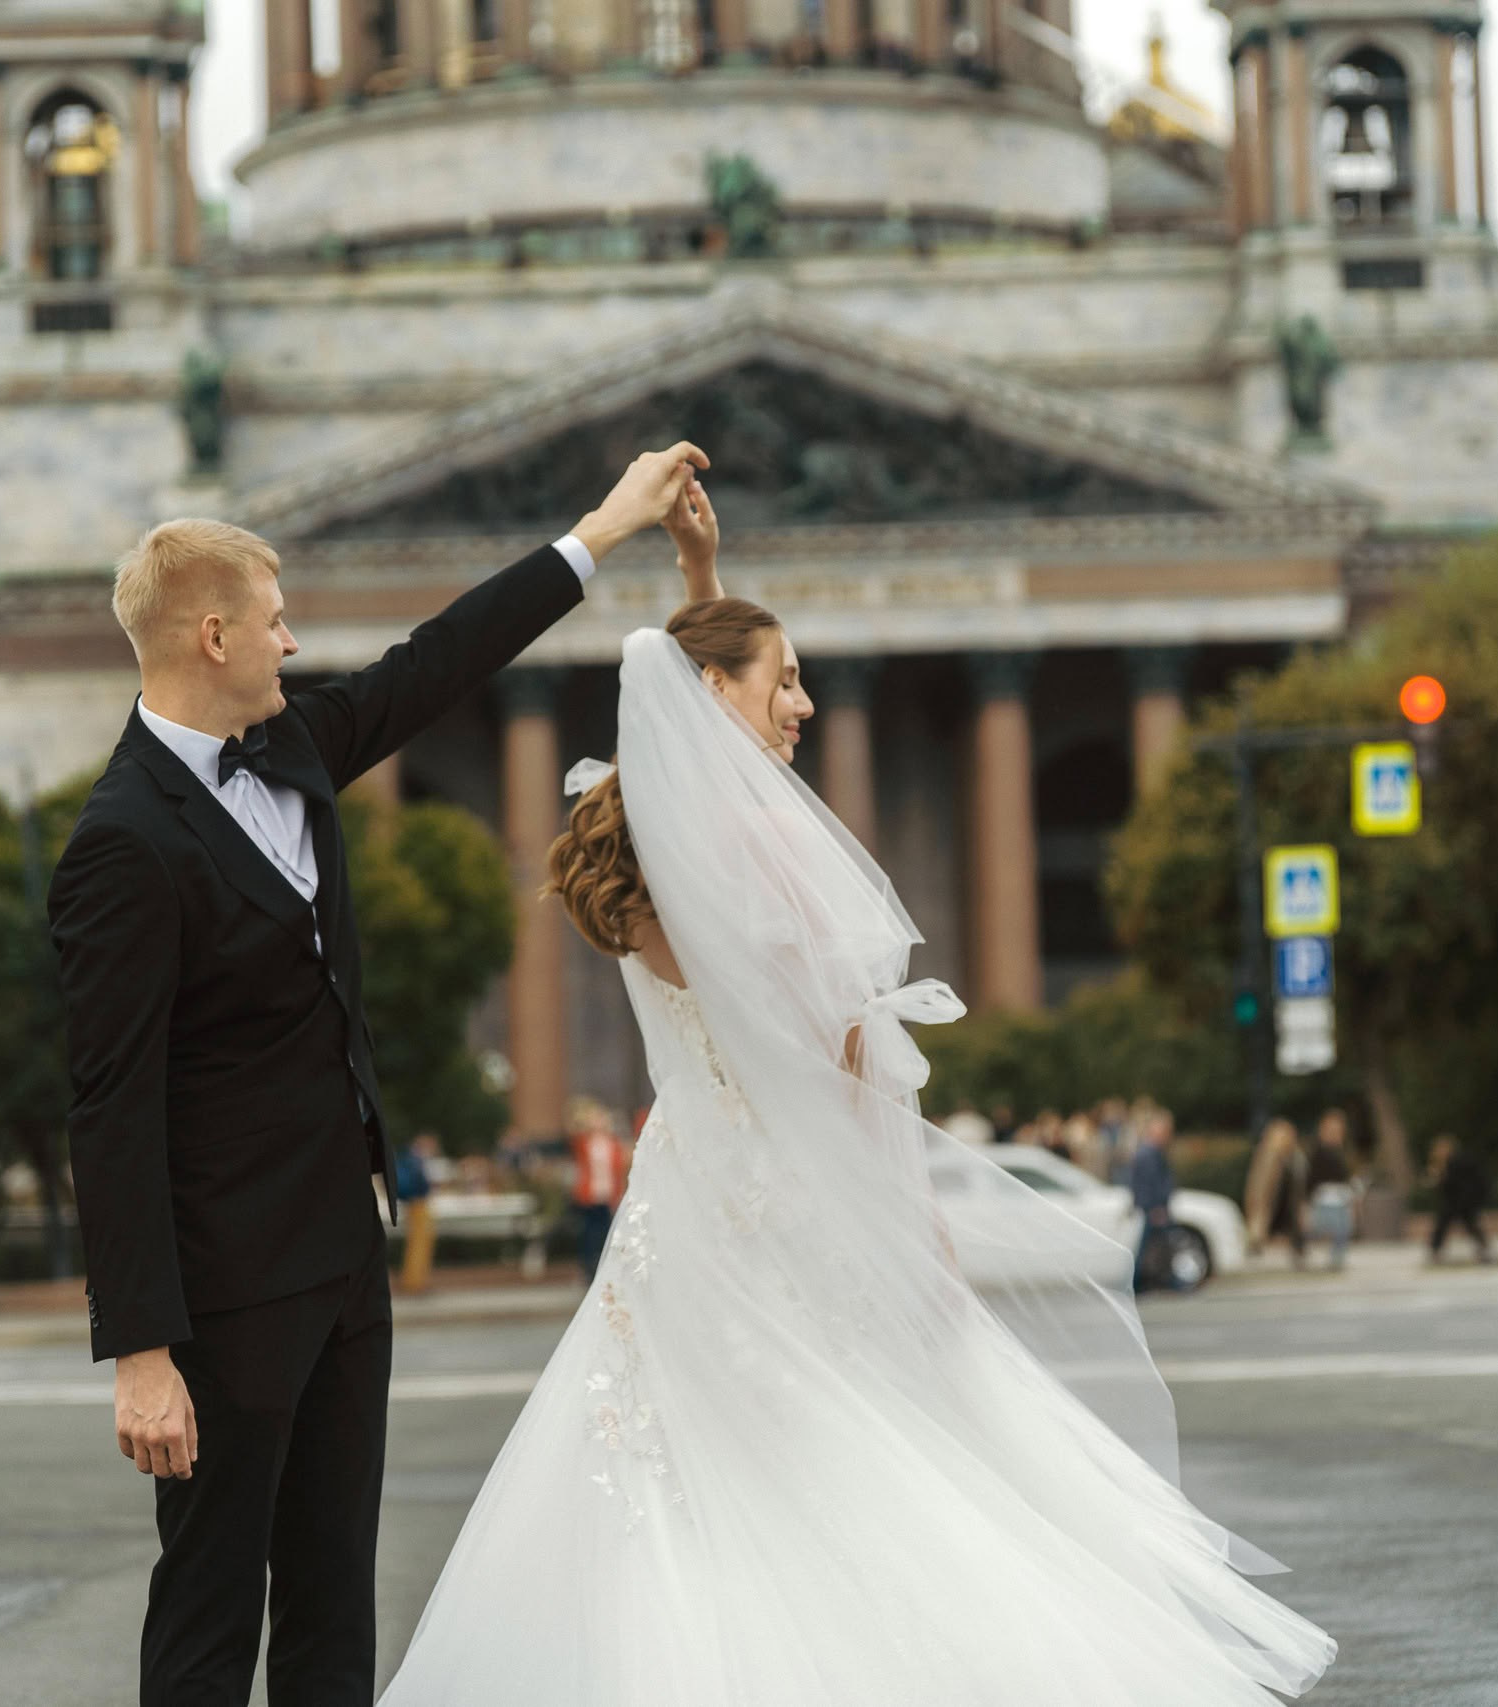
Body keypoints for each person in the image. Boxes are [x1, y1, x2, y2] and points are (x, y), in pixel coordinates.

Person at [378, 480, 1332, 1704]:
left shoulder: (653, 859)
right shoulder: (757, 852)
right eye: (784, 682)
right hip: (792, 1212)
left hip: (687, 1218)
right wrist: (912, 1222)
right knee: (856, 1472)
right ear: (721, 699)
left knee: (698, 1486)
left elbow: (691, 718)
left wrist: (702, 585)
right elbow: (836, 1073)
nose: (804, 705)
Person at [46, 441, 712, 1707]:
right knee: (206, 1614)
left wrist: (601, 531)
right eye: (276, 623)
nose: (292, 645)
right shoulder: (119, 846)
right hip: (227, 1293)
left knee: (330, 1608)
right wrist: (141, 1352)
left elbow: (440, 660)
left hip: (345, 1262)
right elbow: (109, 1105)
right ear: (211, 636)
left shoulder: (291, 748)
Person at [566, 1098, 631, 1282]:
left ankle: (602, 1267)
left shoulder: (613, 1143)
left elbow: (619, 1168)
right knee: (588, 1232)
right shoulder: (584, 1142)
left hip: (607, 1194)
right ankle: (587, 1267)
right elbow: (572, 1131)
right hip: (589, 1195)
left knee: (605, 1232)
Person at [1242, 1118, 1309, 1267]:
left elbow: (1300, 1180)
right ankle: (1255, 1255)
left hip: (1289, 1201)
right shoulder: (1268, 1156)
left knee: (1294, 1229)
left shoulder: (1295, 1156)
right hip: (1271, 1201)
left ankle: (1297, 1254)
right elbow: (1258, 1183)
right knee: (1260, 1229)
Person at [1127, 1111, 1179, 1292]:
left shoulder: (1150, 1152)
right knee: (1152, 1247)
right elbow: (1148, 1184)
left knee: (1155, 1246)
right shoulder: (1148, 1154)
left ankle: (1146, 1282)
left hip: (1154, 1207)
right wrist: (1155, 1207)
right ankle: (1140, 1283)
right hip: (1154, 1208)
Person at [1424, 1135, 1494, 1264]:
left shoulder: (1456, 1162)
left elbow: (1456, 1183)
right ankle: (1436, 1250)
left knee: (1457, 1224)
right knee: (1452, 1224)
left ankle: (1482, 1250)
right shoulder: (1448, 1162)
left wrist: (1439, 1178)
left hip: (1462, 1200)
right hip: (1457, 1200)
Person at [1308, 1110, 1356, 1272]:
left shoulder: (1340, 1151)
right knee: (1323, 1228)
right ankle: (1299, 1245)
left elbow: (1344, 1176)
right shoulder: (1320, 1151)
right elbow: (1313, 1176)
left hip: (1340, 1196)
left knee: (1343, 1229)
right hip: (1325, 1196)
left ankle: (1337, 1259)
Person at [393, 1134, 440, 1297]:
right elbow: (421, 1184)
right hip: (418, 1204)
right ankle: (416, 1282)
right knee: (419, 1244)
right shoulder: (416, 1160)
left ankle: (413, 1280)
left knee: (415, 1244)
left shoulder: (408, 1158)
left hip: (411, 1205)